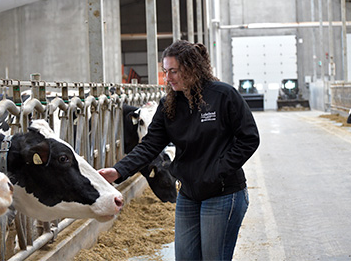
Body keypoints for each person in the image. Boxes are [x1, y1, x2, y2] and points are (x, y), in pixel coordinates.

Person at [99, 40, 260, 260]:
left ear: (192, 68)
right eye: (165, 71)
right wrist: (117, 171)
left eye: (173, 71)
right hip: (188, 194)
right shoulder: (169, 104)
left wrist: (218, 171)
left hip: (223, 193)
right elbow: (149, 145)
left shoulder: (223, 96)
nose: (168, 78)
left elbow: (249, 138)